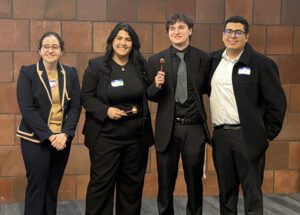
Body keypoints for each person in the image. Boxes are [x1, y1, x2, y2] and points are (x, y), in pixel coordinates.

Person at [208, 16, 287, 215]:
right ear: (223, 35)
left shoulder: (261, 64)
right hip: (221, 137)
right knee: (226, 193)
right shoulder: (213, 61)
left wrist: (265, 134)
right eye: (228, 31)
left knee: (252, 193)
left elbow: (277, 103)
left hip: (248, 138)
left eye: (238, 32)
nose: (232, 36)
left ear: (247, 37)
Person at [81, 22, 154, 215]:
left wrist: (158, 85)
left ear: (133, 44)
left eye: (128, 39)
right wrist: (106, 111)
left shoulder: (141, 65)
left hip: (136, 140)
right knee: (101, 187)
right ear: (112, 41)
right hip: (106, 138)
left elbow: (149, 92)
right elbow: (86, 97)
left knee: (131, 189)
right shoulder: (97, 66)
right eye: (119, 38)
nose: (123, 43)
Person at [147, 13, 211, 215]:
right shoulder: (156, 60)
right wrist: (155, 86)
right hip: (168, 128)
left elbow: (212, 89)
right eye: (172, 28)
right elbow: (149, 93)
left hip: (194, 127)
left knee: (194, 183)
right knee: (165, 183)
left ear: (190, 31)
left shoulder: (204, 59)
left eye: (181, 27)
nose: (176, 31)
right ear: (168, 33)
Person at [16, 32, 81, 215]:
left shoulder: (71, 73)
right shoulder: (27, 73)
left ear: (61, 51)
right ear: (39, 50)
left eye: (55, 47)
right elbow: (27, 108)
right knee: (37, 187)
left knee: (52, 188)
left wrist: (65, 134)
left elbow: (76, 106)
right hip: (35, 139)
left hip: (61, 140)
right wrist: (49, 135)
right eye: (46, 46)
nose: (50, 50)